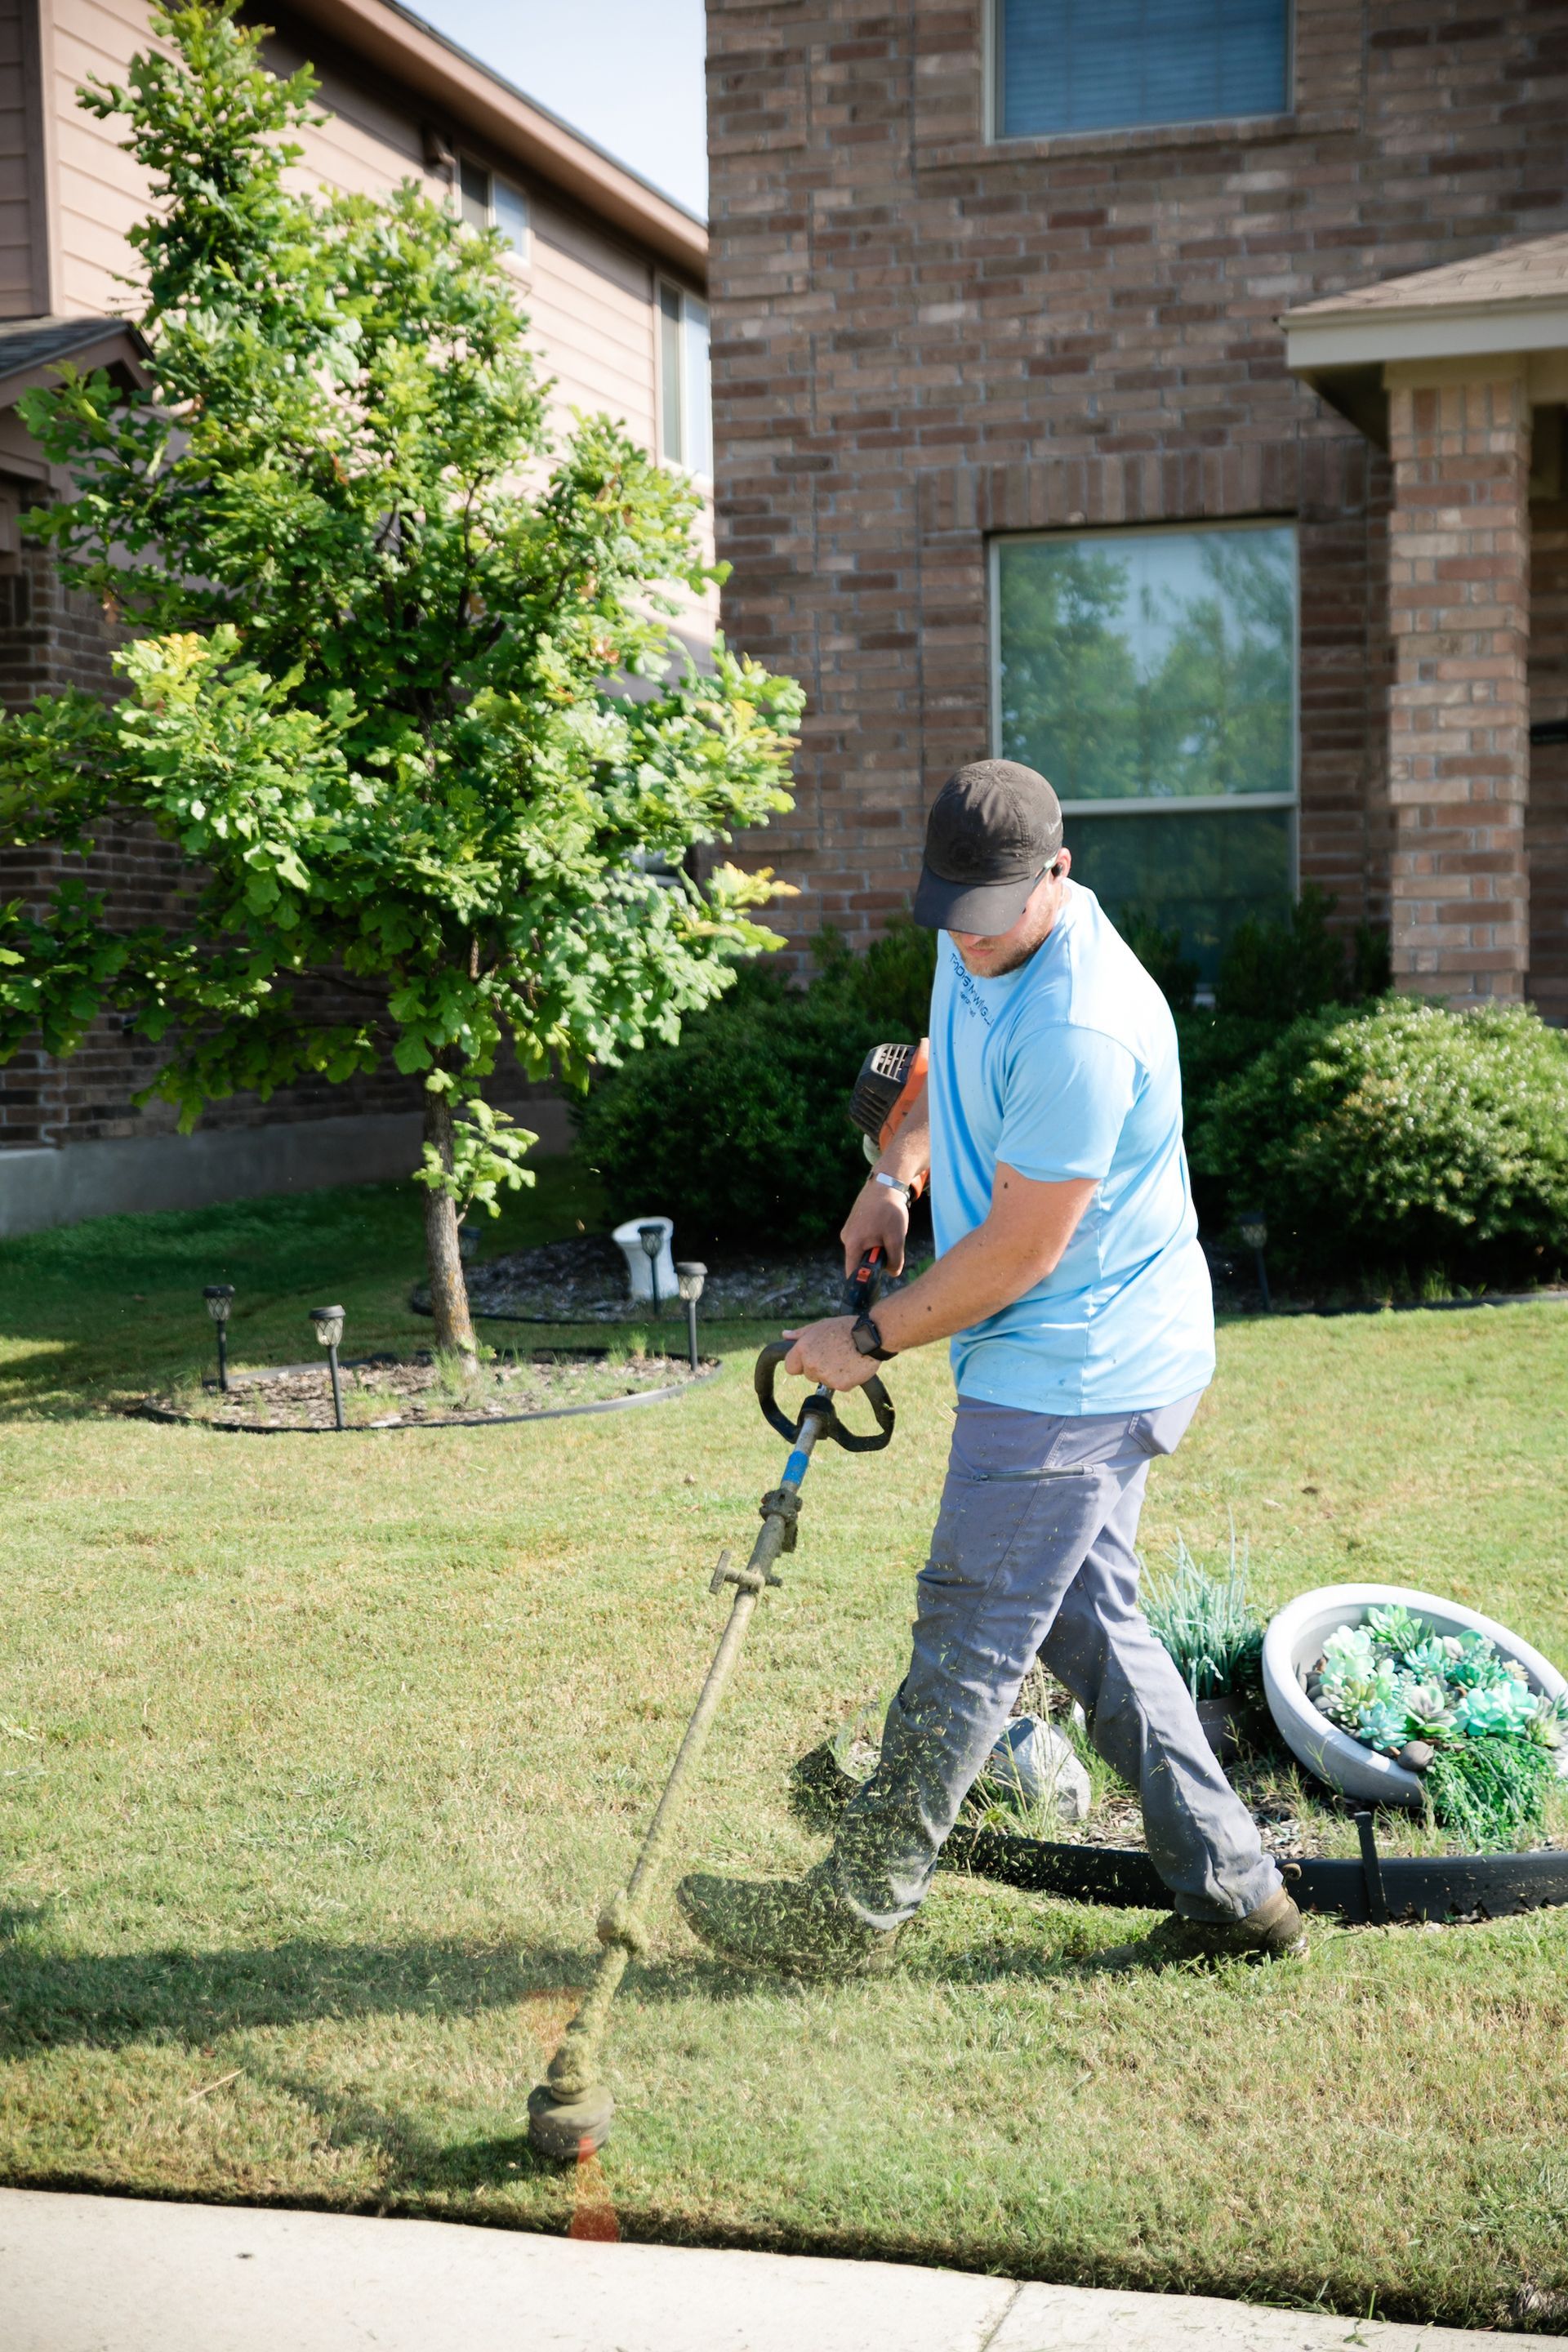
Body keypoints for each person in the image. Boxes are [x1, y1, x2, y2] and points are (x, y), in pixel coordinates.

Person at [676, 758, 1305, 1976]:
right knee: (1086, 1620)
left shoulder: (1084, 1021)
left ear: (1056, 877)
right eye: (947, 917)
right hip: (1072, 1342)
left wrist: (864, 1339)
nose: (963, 944)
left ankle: (847, 1918)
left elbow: (1020, 1251)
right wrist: (892, 1174)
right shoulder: (977, 926)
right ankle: (1239, 1896)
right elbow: (935, 1061)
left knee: (971, 1629)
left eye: (987, 918)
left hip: (1081, 1362)